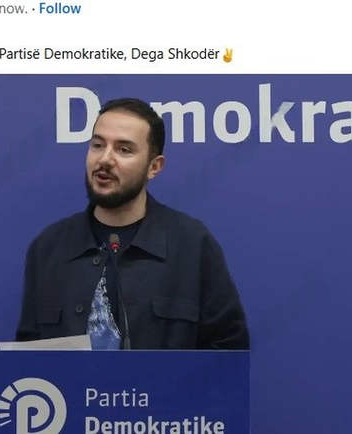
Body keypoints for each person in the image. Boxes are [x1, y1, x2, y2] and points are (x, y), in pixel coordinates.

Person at [15, 98, 249, 350]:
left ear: (154, 167)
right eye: (98, 145)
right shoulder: (49, 247)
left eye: (124, 149)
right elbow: (28, 358)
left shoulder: (192, 244)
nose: (105, 159)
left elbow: (228, 353)